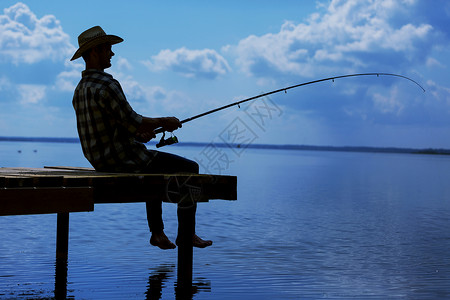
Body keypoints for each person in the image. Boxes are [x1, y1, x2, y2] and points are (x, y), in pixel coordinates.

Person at [71, 26, 212, 250]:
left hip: (99, 161)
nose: (112, 54)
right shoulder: (107, 84)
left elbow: (118, 125)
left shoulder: (79, 90)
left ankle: (157, 233)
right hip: (122, 159)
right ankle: (186, 235)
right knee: (191, 169)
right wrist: (164, 121)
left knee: (151, 168)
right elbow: (133, 118)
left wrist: (136, 134)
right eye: (108, 49)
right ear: (95, 51)